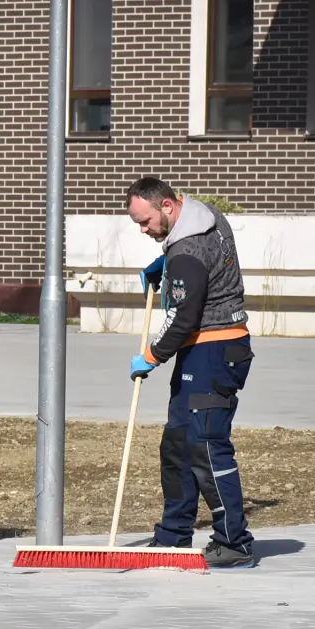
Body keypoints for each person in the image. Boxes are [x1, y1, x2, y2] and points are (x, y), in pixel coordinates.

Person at [124, 177, 256, 569]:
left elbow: (182, 318)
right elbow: (203, 256)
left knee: (206, 444)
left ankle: (235, 542)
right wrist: (165, 263)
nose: (144, 231)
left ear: (166, 206)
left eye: (145, 222)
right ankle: (173, 536)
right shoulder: (206, 216)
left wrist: (150, 355)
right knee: (179, 443)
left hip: (215, 350)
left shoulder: (186, 253)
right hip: (206, 349)